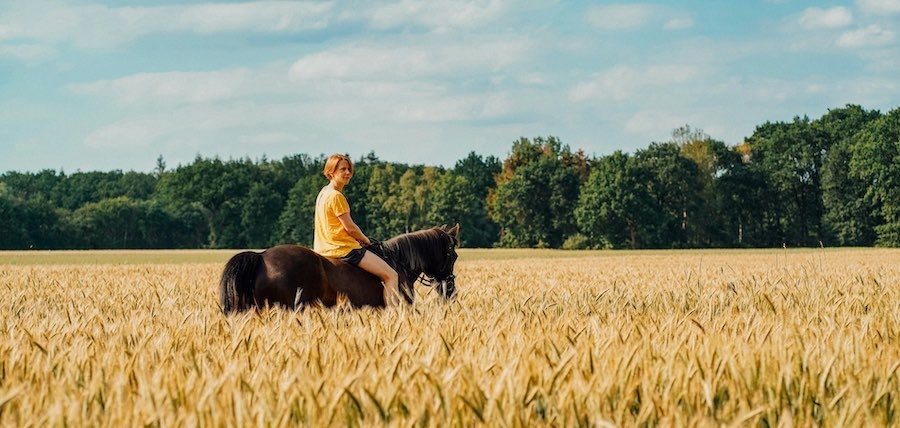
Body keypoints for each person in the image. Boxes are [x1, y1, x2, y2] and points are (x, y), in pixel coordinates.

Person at [314, 154, 401, 306]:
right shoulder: (336, 196)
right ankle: (393, 313)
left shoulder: (323, 193)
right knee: (391, 275)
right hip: (343, 249)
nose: (348, 173)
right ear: (331, 172)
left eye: (349, 169)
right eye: (342, 169)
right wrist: (365, 239)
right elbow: (350, 228)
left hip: (322, 249)